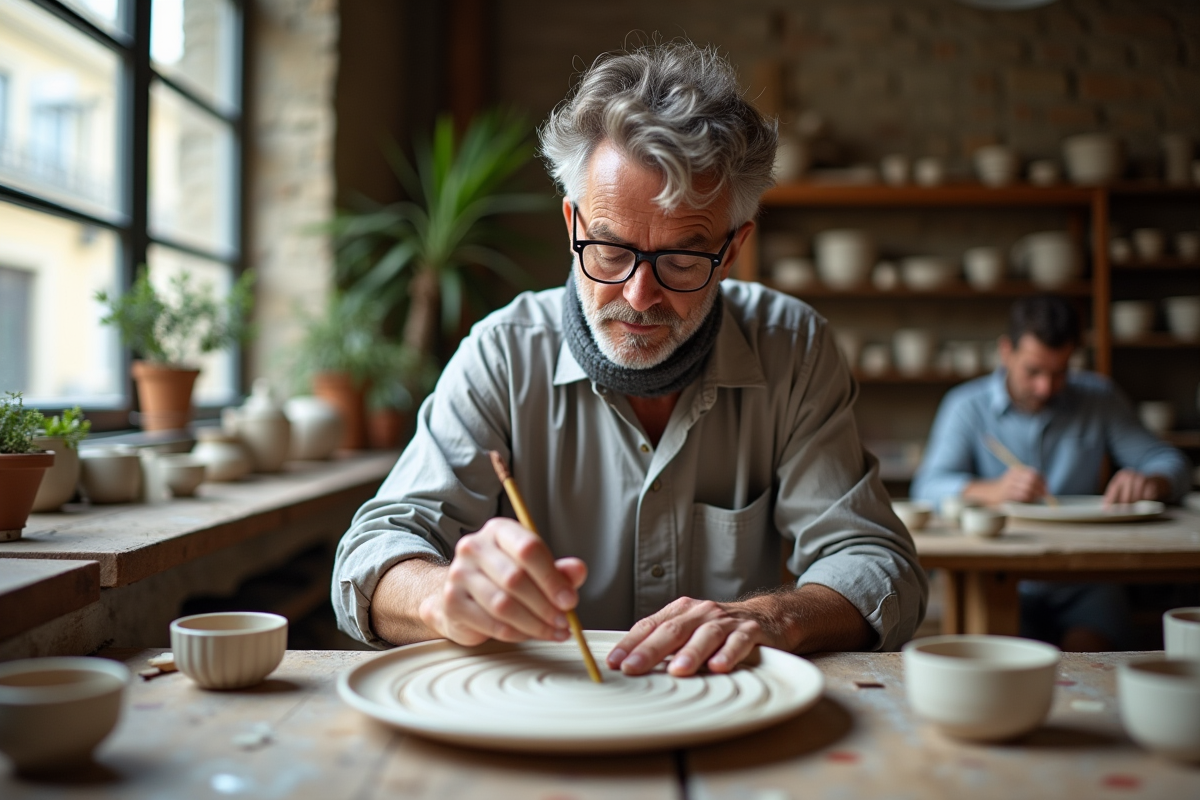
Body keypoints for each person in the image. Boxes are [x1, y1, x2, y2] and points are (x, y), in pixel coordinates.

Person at [332, 41, 927, 676]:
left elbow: (877, 563)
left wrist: (772, 617)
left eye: (682, 258)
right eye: (611, 251)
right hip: (540, 710)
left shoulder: (793, 347)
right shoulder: (502, 354)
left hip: (719, 711)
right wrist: (440, 601)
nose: (639, 297)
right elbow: (371, 554)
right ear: (572, 223)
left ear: (732, 250)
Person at [912, 294, 1191, 649]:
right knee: (1008, 667)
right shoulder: (966, 406)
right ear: (1006, 351)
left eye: (1060, 372)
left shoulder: (1098, 398)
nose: (1046, 387)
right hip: (1000, 576)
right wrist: (992, 490)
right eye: (1033, 371)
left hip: (1086, 574)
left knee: (1092, 665)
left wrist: (1153, 481)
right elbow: (927, 488)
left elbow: (1172, 463)